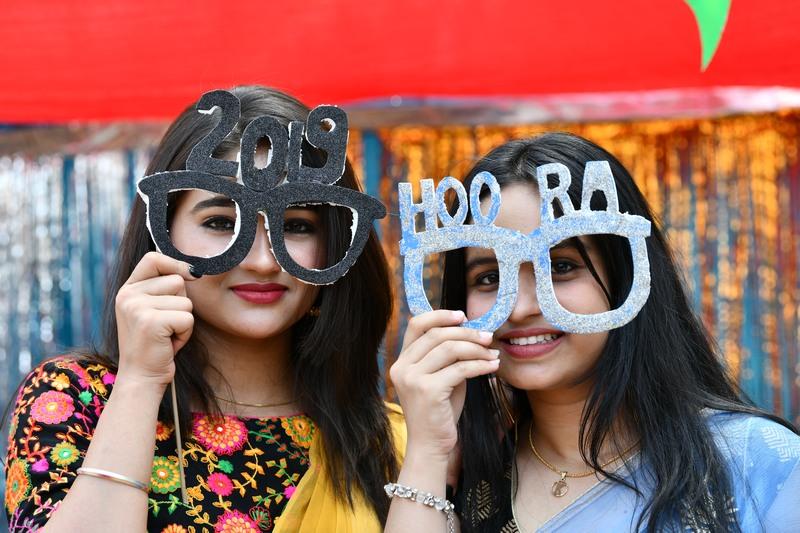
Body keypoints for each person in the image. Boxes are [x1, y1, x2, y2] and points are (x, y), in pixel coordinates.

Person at [4, 85, 404, 532]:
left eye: (295, 226)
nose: (262, 261)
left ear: (337, 245)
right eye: (221, 222)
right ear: (162, 232)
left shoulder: (391, 442)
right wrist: (141, 382)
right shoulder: (75, 399)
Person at [385, 132, 800, 532]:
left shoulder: (758, 463)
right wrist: (427, 452)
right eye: (490, 277)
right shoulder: (464, 481)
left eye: (561, 267)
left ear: (627, 276)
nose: (521, 307)